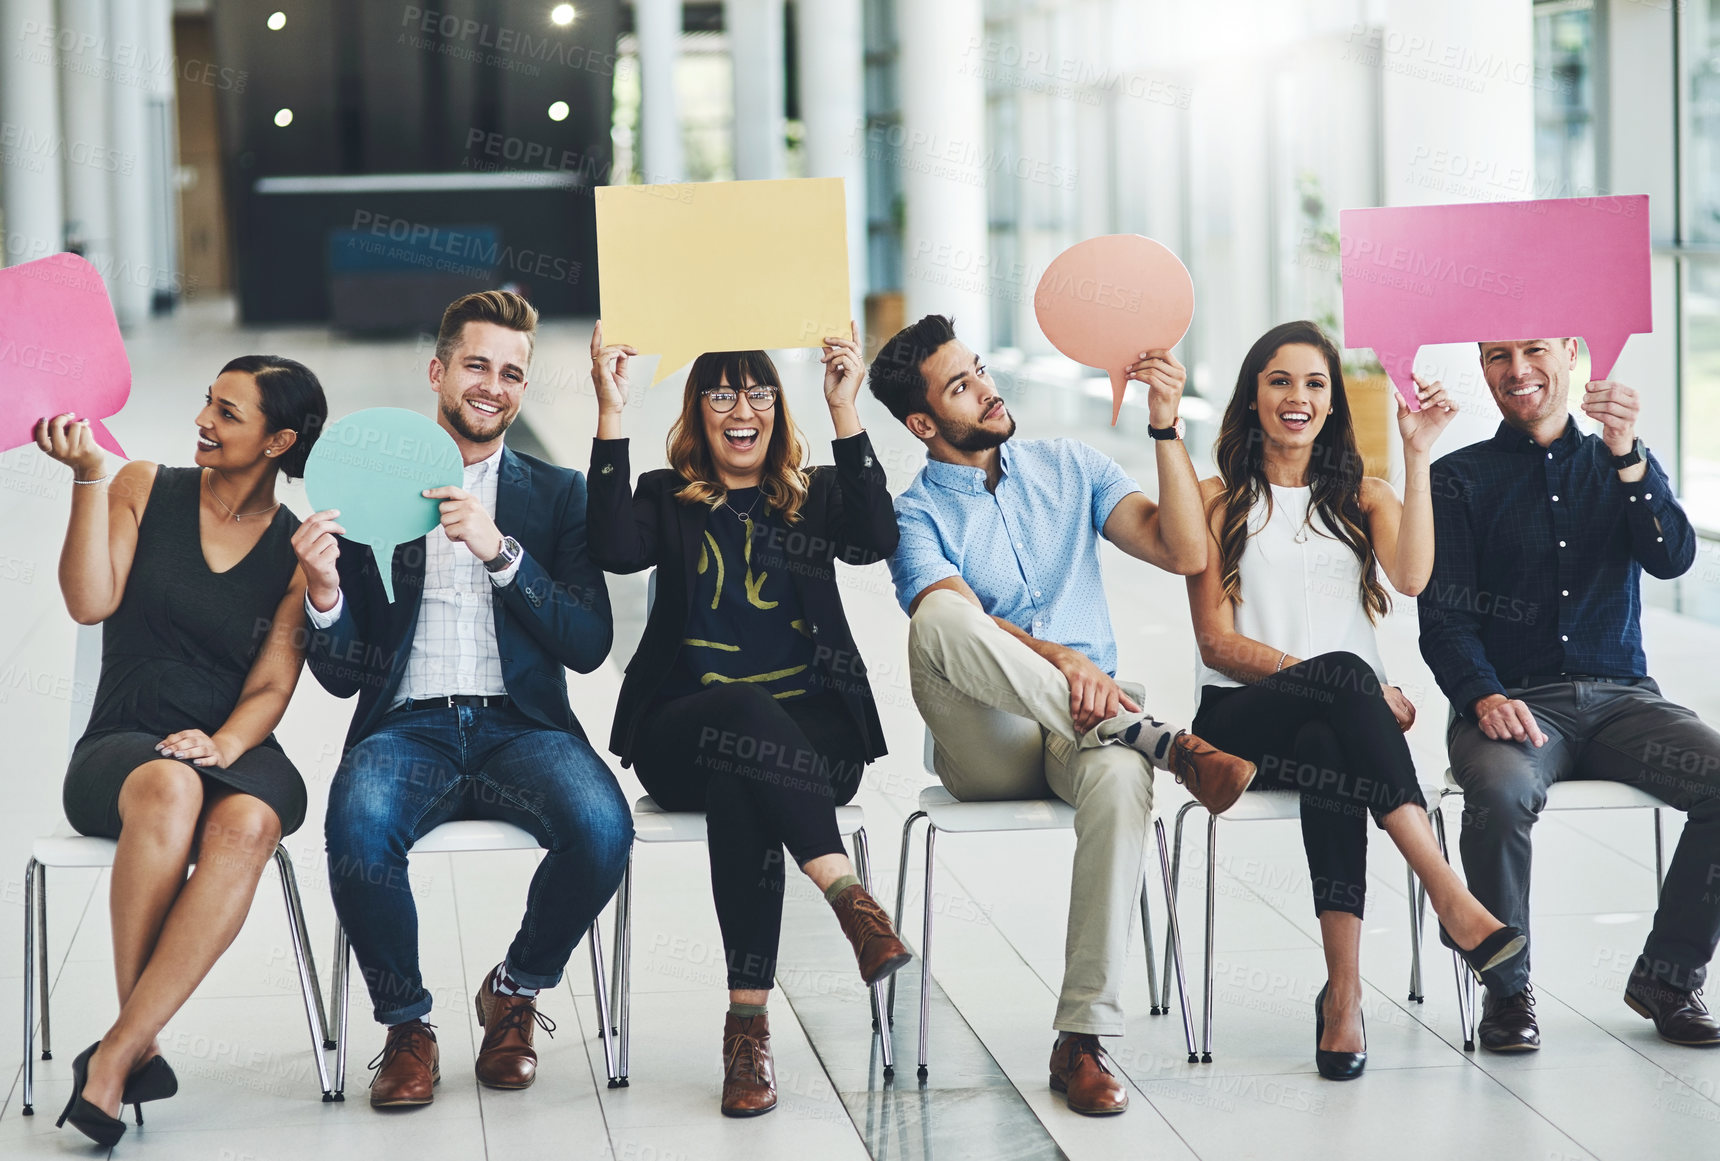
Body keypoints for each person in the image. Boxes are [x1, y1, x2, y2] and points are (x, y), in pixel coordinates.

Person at [868, 313, 1255, 1116]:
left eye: (980, 369)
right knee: (936, 620)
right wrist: (1062, 658)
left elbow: (1183, 551)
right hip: (990, 739)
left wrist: (1164, 423)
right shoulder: (911, 516)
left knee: (1119, 778)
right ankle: (1165, 742)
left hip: (1090, 724)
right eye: (962, 386)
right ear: (923, 422)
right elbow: (956, 618)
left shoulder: (1070, 466)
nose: (987, 388)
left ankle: (1082, 1038)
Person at [295, 290, 630, 1109]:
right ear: (439, 371)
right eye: (477, 365)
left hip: (523, 727)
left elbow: (588, 644)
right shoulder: (374, 494)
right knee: (359, 826)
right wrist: (325, 590)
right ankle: (407, 1026)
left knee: (601, 826)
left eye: (511, 373)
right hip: (408, 729)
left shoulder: (556, 495)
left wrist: (502, 552)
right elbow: (343, 675)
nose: (493, 385)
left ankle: (513, 990)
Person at [1184, 320, 1526, 1079]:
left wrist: (1416, 449)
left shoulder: (1362, 497)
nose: (1297, 397)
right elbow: (1217, 643)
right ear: (1251, 397)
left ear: (1334, 402)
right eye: (1279, 381)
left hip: (1340, 730)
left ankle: (1343, 996)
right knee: (1342, 684)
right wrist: (1352, 687)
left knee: (1330, 751)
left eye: (1314, 383)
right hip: (1237, 723)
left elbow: (1412, 577)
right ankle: (1449, 894)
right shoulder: (1215, 500)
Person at [585, 320, 909, 1118]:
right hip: (680, 733)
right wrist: (610, 411)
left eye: (759, 390)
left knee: (747, 765)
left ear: (777, 407)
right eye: (722, 392)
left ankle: (747, 1030)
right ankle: (847, 897)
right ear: (698, 411)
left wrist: (846, 410)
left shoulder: (817, 494)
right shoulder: (666, 496)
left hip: (815, 736)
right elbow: (613, 549)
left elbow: (878, 538)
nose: (743, 407)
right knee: (739, 713)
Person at [37, 356, 327, 1146]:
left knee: (253, 821)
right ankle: (131, 1050)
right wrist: (87, 479)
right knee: (170, 787)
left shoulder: (296, 552)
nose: (204, 418)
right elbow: (88, 600)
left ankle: (122, 1048)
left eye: (229, 413)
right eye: (208, 400)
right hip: (125, 739)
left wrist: (222, 742)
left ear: (279, 440)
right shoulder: (141, 485)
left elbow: (272, 684)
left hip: (231, 741)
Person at [1420, 336, 1720, 1052]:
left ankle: (1669, 979)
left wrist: (1628, 456)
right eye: (1498, 355)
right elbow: (1444, 619)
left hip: (1624, 701)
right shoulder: (1457, 478)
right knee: (1495, 791)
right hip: (1514, 701)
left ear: (1573, 354)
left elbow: (1672, 556)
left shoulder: (1621, 462)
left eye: (1534, 349)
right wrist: (1483, 694)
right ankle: (1507, 988)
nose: (1517, 370)